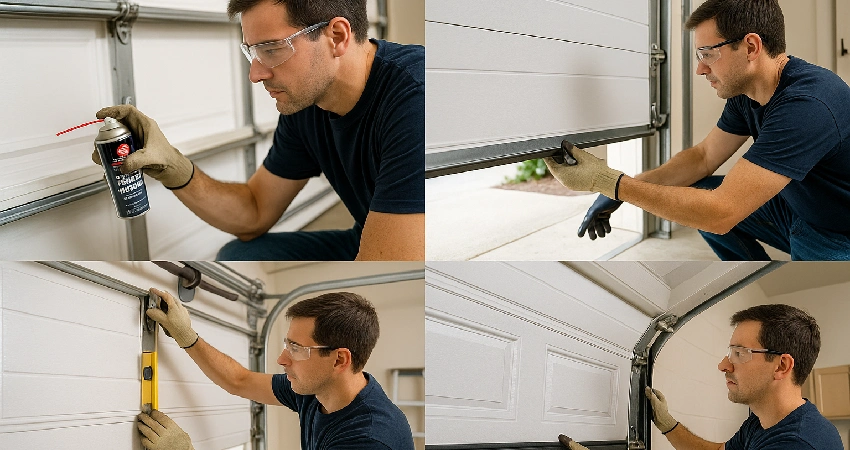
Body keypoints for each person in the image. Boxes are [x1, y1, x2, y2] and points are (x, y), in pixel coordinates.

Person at [94, 0, 424, 261]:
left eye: (271, 49)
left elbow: (394, 261)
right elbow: (255, 211)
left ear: (336, 37)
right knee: (241, 255)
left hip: (430, 249)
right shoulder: (308, 104)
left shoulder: (415, 99)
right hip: (369, 231)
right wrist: (174, 168)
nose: (255, 74)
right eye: (251, 51)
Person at [544, 0, 850, 260]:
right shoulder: (749, 94)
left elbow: (721, 212)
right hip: (796, 208)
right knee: (700, 192)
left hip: (837, 233)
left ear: (751, 47)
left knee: (711, 209)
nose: (700, 69)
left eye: (707, 54)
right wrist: (626, 189)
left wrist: (609, 182)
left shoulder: (807, 105)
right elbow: (703, 157)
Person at [136, 287, 414, 450]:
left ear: (340, 360)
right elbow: (239, 380)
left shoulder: (369, 439)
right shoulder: (314, 391)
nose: (282, 359)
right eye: (286, 344)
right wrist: (187, 336)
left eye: (296, 348)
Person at [561, 304, 842, 450]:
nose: (723, 365)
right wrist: (668, 424)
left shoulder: (797, 443)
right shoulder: (764, 420)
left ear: (781, 366)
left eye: (739, 353)